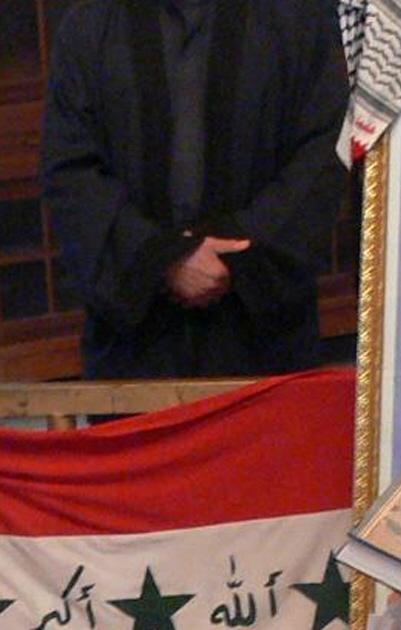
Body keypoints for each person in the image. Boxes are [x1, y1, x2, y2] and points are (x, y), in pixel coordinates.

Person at [40, 0, 350, 379]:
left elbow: (322, 158)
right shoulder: (91, 25)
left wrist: (237, 254)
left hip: (262, 334)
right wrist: (162, 259)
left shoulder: (298, 17)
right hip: (136, 340)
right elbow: (71, 171)